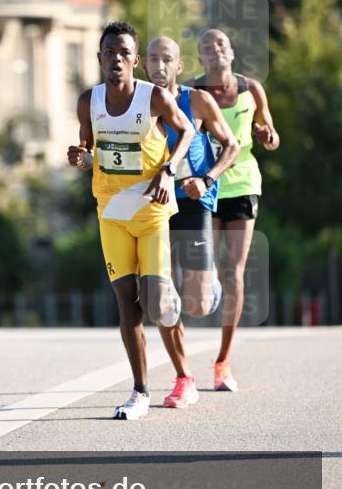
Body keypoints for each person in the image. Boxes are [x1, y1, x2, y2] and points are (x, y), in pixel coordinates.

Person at [68, 21, 194, 421]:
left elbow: (187, 131)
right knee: (128, 305)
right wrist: (79, 155)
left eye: (124, 53)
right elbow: (88, 147)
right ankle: (140, 391)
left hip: (152, 211)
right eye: (110, 53)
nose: (117, 59)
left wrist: (169, 170)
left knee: (155, 305)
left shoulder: (153, 97)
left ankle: (182, 366)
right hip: (111, 214)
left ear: (135, 60)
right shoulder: (89, 101)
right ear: (100, 58)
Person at [143, 36, 239, 408]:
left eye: (167, 59)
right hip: (154, 205)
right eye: (153, 58)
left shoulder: (196, 100)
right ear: (143, 64)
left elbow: (230, 145)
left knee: (197, 305)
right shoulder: (136, 104)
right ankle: (184, 378)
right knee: (161, 300)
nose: (160, 65)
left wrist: (208, 179)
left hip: (194, 202)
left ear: (178, 67)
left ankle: (208, 285)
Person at [187, 28, 280, 392]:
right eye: (207, 48)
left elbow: (272, 137)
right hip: (206, 185)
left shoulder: (252, 89)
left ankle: (223, 361)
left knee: (233, 271)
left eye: (220, 45)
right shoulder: (192, 91)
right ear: (201, 59)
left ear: (231, 52)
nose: (215, 51)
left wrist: (266, 135)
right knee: (204, 269)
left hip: (242, 184)